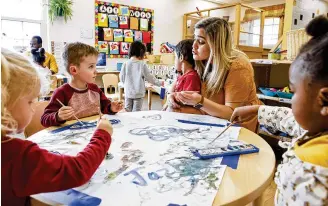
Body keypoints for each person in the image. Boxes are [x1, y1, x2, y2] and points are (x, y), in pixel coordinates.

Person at [231, 16, 328, 205]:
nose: (291, 100)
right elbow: (293, 121)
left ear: (324, 99)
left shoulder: (312, 172)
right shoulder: (321, 128)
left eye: (293, 91)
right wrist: (258, 110)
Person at [1, 48, 113, 206]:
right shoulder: (18, 155)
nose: (34, 107)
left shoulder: (94, 88)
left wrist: (111, 107)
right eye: (30, 101)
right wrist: (102, 134)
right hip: (81, 145)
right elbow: (77, 171)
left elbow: (105, 105)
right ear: (3, 105)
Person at [170, 17, 261, 132]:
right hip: (211, 119)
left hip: (237, 127)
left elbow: (233, 113)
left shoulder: (238, 66)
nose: (194, 46)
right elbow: (179, 84)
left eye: (201, 42)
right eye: (195, 39)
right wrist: (173, 95)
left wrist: (200, 101)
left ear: (216, 45)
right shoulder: (200, 59)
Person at [41, 42, 123, 127]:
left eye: (95, 66)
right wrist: (58, 116)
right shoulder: (61, 92)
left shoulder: (94, 89)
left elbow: (105, 107)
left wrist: (112, 108)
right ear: (74, 70)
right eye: (91, 67)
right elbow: (44, 119)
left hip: (94, 132)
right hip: (73, 136)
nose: (96, 71)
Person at [120, 41, 162, 112]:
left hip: (128, 92)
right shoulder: (142, 64)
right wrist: (160, 83)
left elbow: (122, 78)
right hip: (138, 93)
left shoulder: (125, 63)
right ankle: (135, 123)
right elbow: (149, 78)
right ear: (141, 52)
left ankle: (127, 122)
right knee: (137, 112)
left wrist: (127, 84)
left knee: (127, 110)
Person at [163, 39, 201, 111]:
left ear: (181, 57)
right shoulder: (182, 76)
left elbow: (189, 101)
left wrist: (172, 100)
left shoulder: (191, 77)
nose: (174, 61)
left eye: (175, 58)